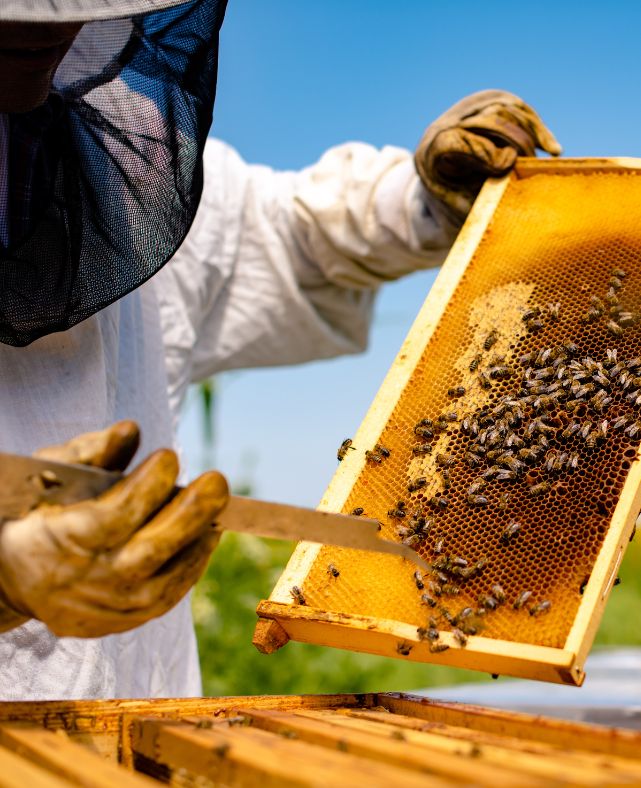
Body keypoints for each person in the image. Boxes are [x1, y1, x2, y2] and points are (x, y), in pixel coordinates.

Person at [0, 0, 561, 700]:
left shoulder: (127, 158)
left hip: (139, 732)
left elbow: (285, 236)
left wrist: (427, 196)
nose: (50, 25)